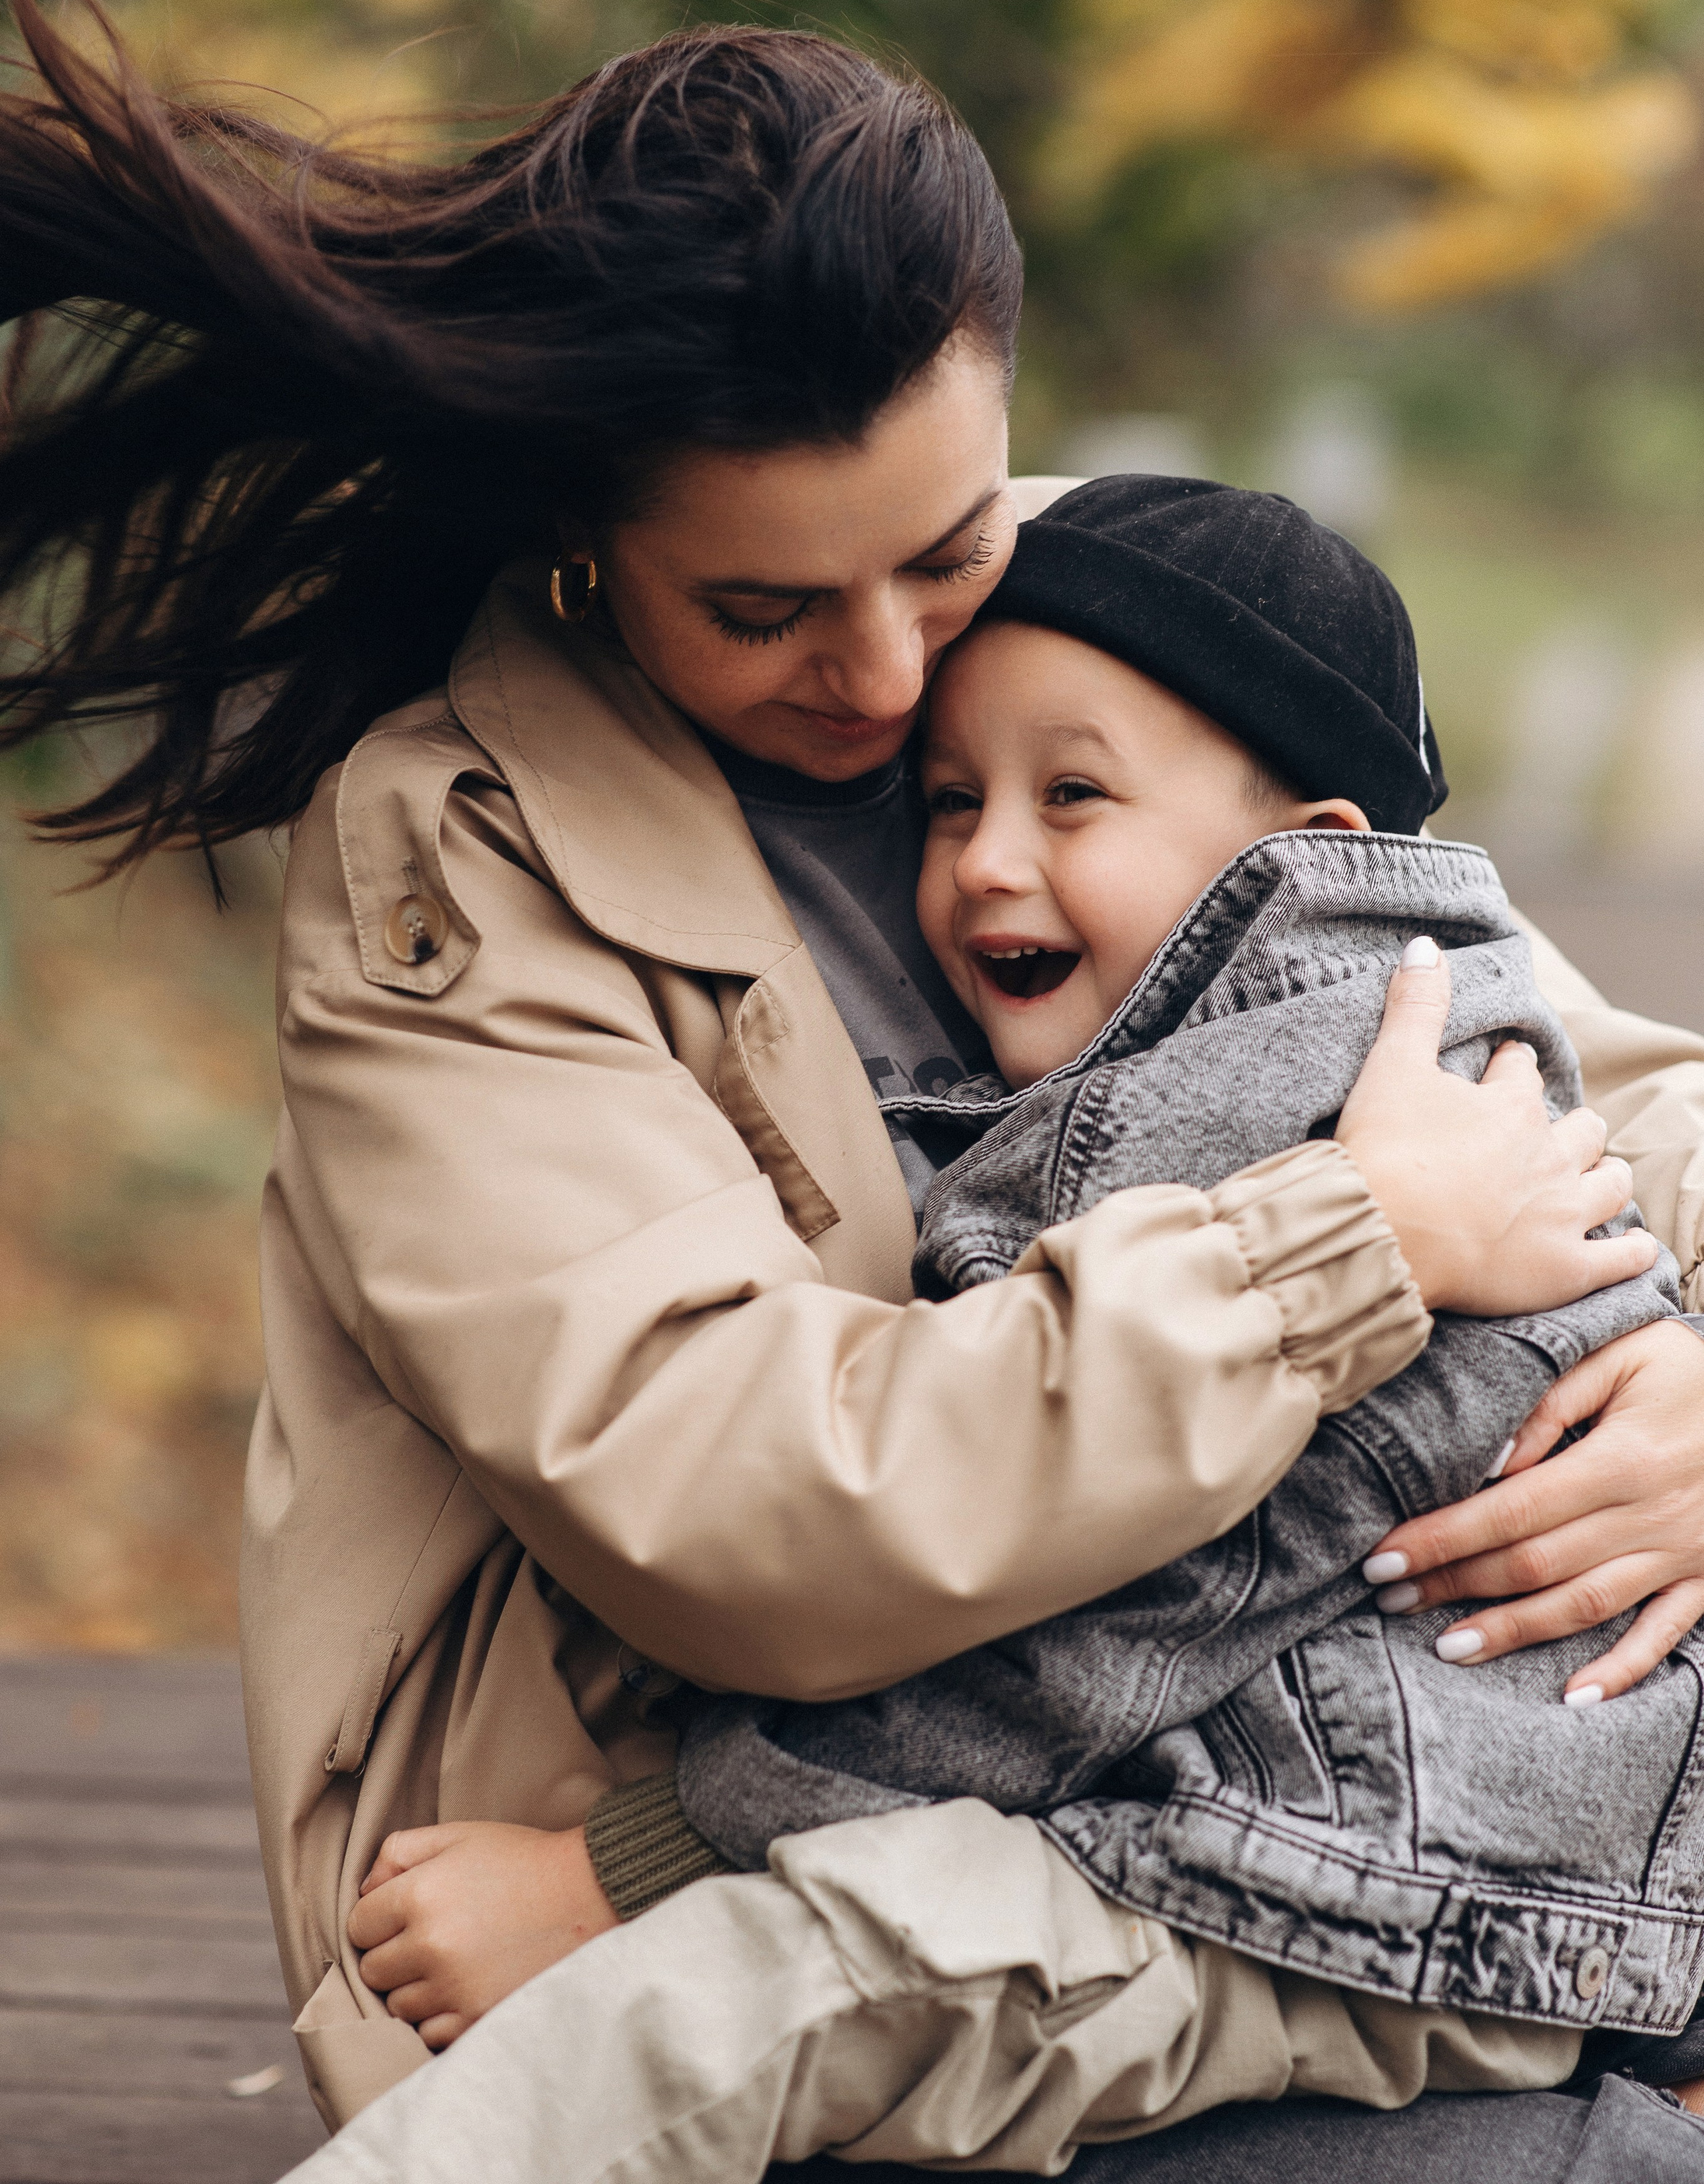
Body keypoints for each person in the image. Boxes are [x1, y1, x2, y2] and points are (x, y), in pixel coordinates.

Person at [3, 0, 1704, 2182]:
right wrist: (1336, 1257)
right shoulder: (460, 862)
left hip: (1238, 1804)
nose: (891, 674)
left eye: (945, 548)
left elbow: (1552, 1063)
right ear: (592, 546)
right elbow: (744, 1513)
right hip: (686, 1922)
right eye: (766, 608)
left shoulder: (1101, 625)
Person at [313, 482, 1704, 2182]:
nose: (979, 857)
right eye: (951, 801)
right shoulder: (1298, 1011)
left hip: (1332, 1867)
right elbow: (745, 1489)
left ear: (1311, 851)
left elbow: (1127, 1613)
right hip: (1331, 1845)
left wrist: (639, 1862)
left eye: (1068, 798)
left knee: (745, 1995)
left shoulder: (1337, 1061)